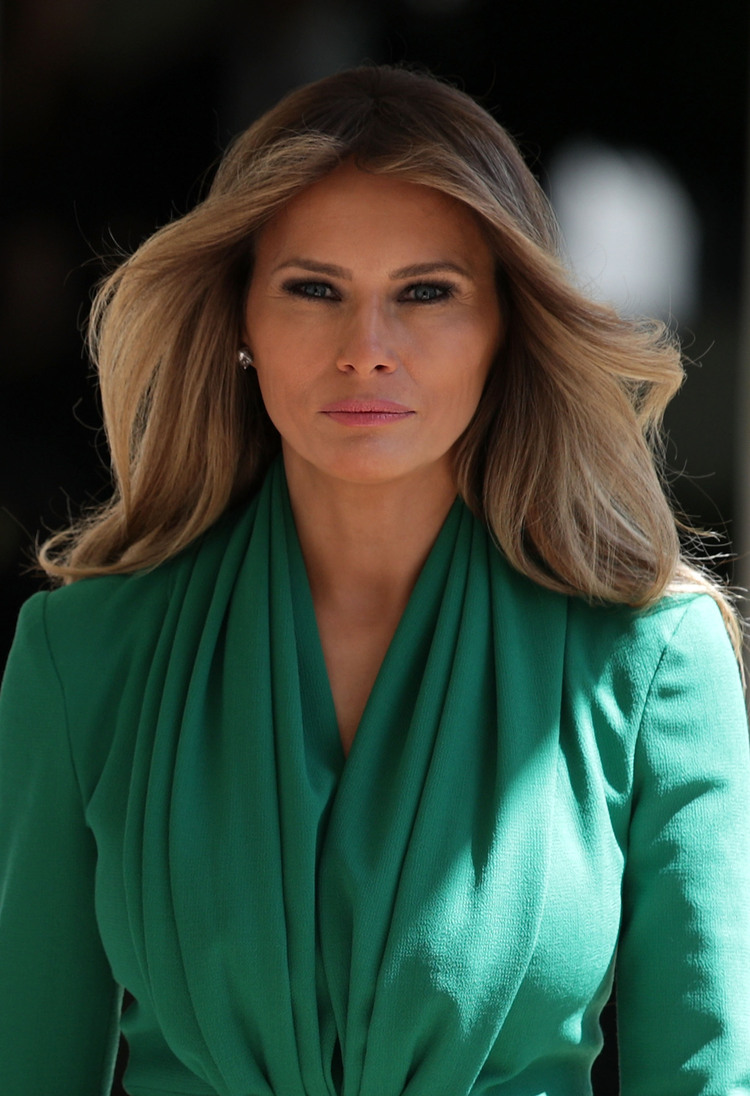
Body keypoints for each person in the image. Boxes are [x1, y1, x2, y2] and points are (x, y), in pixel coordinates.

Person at [0, 64, 748, 1096]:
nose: (367, 349)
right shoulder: (82, 658)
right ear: (240, 321)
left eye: (426, 292)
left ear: (506, 325)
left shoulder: (652, 660)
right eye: (314, 290)